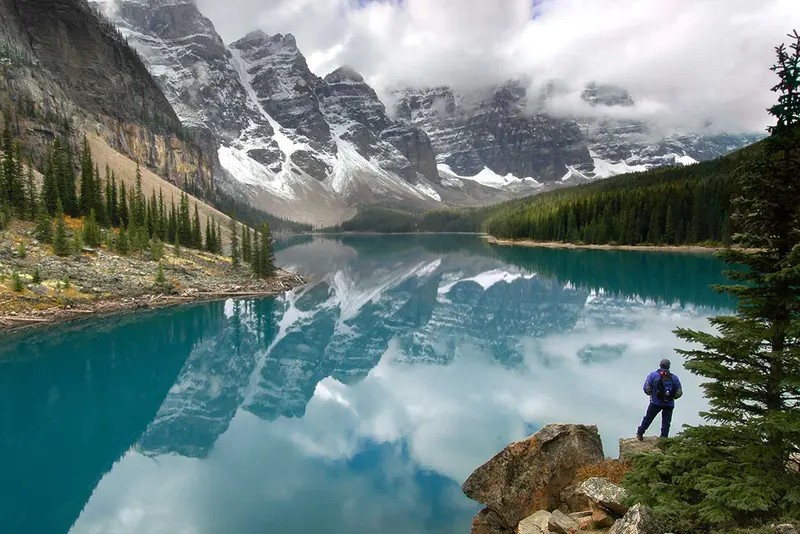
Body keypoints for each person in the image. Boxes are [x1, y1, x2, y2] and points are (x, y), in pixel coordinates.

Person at [636, 358, 683, 440]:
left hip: (655, 403)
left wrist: (652, 395)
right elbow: (679, 392)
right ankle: (663, 439)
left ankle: (640, 433)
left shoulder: (653, 375)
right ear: (669, 366)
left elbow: (646, 388)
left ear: (660, 365)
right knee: (666, 423)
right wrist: (672, 398)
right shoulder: (674, 377)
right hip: (669, 404)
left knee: (648, 418)